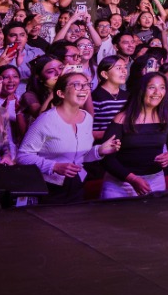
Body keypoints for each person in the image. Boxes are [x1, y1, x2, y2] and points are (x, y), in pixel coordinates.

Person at [19, 71, 122, 203]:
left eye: (86, 85)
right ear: (61, 93)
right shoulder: (46, 120)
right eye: (77, 85)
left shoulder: (87, 118)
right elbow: (23, 156)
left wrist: (99, 150)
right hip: (49, 187)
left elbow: (80, 157)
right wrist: (54, 166)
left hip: (78, 183)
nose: (84, 89)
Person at [96, 71, 168, 198]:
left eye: (162, 88)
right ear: (142, 90)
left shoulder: (167, 118)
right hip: (120, 183)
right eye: (152, 87)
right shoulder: (122, 119)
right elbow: (107, 159)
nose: (157, 93)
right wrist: (133, 179)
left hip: (154, 181)